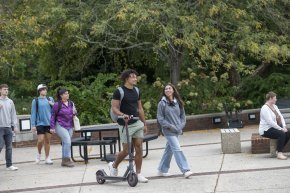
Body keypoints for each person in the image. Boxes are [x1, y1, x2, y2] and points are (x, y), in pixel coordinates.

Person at [108, 69, 148, 183]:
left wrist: (144, 123)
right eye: (133, 77)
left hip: (136, 122)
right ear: (126, 78)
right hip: (124, 124)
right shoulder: (119, 91)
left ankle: (138, 173)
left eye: (136, 77)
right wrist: (122, 115)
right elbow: (115, 107)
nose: (135, 79)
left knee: (139, 148)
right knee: (126, 151)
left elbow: (140, 108)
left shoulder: (136, 90)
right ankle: (114, 165)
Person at [156, 83, 193, 178]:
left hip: (177, 130)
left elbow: (183, 117)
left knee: (169, 150)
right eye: (166, 89)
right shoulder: (162, 103)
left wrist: (180, 126)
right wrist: (171, 126)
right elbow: (160, 118)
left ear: (173, 90)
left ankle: (162, 169)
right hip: (168, 130)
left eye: (169, 88)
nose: (167, 90)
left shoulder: (178, 102)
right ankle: (185, 170)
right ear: (164, 92)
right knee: (177, 149)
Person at [259, 91, 290, 160]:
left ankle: (278, 150)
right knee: (282, 134)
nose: (276, 99)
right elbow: (270, 122)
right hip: (266, 130)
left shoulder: (275, 106)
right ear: (270, 98)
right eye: (275, 98)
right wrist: (281, 129)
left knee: (288, 132)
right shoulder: (264, 108)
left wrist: (284, 126)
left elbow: (281, 117)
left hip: (274, 127)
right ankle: (279, 154)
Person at [50, 88, 76, 167]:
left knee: (65, 142)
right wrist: (52, 127)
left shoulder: (71, 103)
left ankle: (64, 160)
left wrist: (74, 112)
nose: (67, 95)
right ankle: (67, 160)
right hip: (60, 125)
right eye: (65, 94)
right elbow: (53, 116)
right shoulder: (57, 104)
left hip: (70, 125)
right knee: (68, 141)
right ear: (61, 95)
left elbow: (74, 113)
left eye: (68, 93)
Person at [31, 84, 54, 164]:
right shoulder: (35, 101)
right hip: (40, 123)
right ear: (40, 91)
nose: (45, 91)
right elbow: (33, 113)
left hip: (49, 123)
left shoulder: (50, 99)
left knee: (47, 141)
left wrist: (53, 104)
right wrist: (33, 125)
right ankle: (38, 154)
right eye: (44, 89)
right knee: (40, 140)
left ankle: (47, 158)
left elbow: (54, 111)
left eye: (46, 89)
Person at [0, 84, 18, 171]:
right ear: (0, 90)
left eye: (7, 89)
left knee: (9, 147)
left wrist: (15, 126)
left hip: (8, 127)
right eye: (4, 89)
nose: (6, 91)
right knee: (0, 146)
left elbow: (13, 114)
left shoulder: (10, 101)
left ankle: (9, 165)